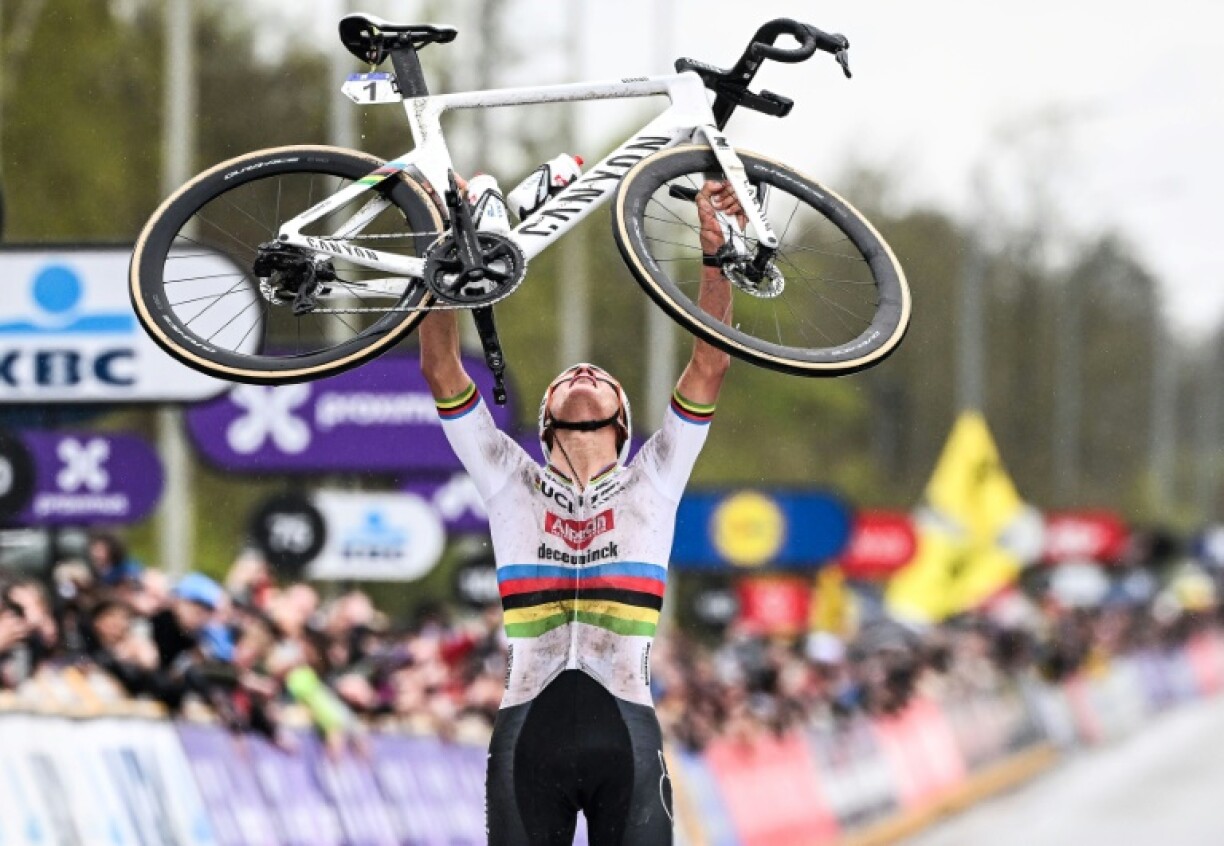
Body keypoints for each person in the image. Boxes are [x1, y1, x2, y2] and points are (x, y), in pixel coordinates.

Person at [419, 179, 741, 845]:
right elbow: (441, 367)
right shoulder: (509, 479)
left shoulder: (656, 476)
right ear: (546, 424)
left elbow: (710, 364)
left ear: (622, 423)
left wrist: (714, 252)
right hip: (527, 737)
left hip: (626, 734)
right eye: (570, 377)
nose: (583, 372)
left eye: (597, 377)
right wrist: (442, 253)